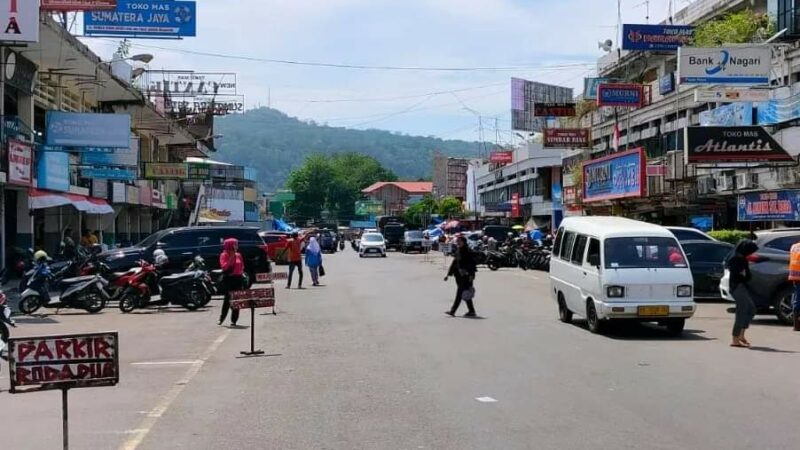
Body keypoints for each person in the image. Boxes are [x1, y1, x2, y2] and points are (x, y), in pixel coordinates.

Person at [727, 239, 759, 347]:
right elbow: (739, 276)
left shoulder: (742, 259)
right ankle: (735, 339)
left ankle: (741, 334)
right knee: (742, 312)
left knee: (751, 309)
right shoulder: (735, 259)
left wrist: (745, 275)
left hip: (742, 286)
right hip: (737, 287)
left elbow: (747, 276)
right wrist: (744, 276)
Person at [445, 236, 477, 317]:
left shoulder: (468, 251)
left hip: (466, 276)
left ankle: (453, 311)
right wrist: (449, 273)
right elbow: (455, 262)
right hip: (459, 276)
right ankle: (471, 311)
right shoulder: (458, 250)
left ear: (464, 242)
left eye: (459, 241)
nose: (458, 242)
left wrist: (471, 275)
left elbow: (472, 264)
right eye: (457, 241)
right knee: (465, 293)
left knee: (459, 293)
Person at [218, 238, 244, 327]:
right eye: (235, 244)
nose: (236, 246)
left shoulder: (239, 255)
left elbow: (242, 266)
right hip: (229, 279)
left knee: (236, 299)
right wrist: (232, 257)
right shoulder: (224, 255)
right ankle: (222, 318)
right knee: (227, 299)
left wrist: (241, 273)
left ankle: (234, 320)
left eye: (237, 244)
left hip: (238, 279)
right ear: (230, 245)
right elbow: (224, 267)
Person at [788, 240, 800, 331]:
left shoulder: (794, 246)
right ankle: (796, 325)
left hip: (794, 275)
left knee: (796, 297)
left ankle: (796, 324)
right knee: (797, 299)